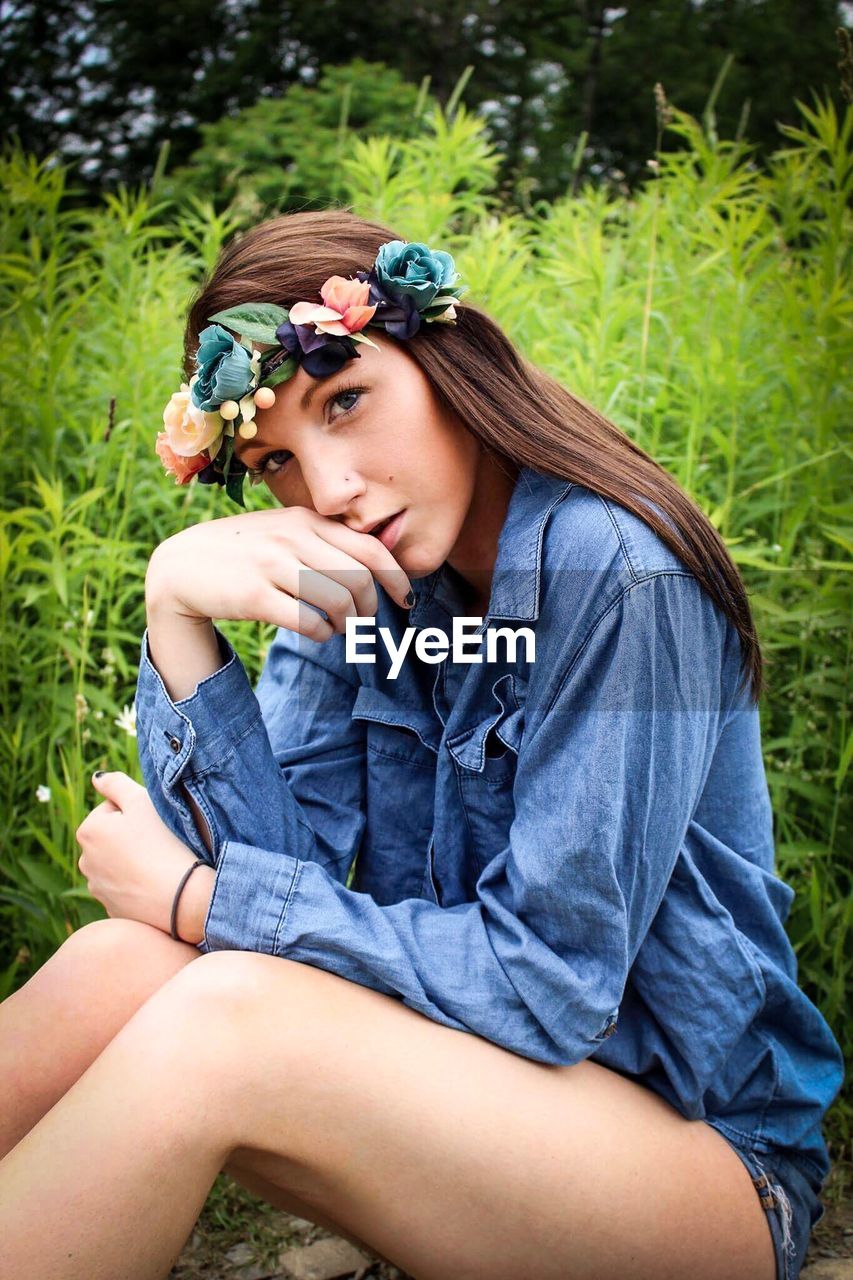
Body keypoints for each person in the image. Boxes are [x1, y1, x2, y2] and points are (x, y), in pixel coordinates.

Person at [0, 211, 843, 1280]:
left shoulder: (615, 573)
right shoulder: (363, 580)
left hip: (706, 1165)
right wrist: (175, 609)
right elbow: (277, 886)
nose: (331, 490)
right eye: (276, 462)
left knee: (223, 1017)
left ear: (443, 359)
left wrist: (195, 899)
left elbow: (550, 982)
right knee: (118, 960)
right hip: (482, 1110)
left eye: (345, 401)